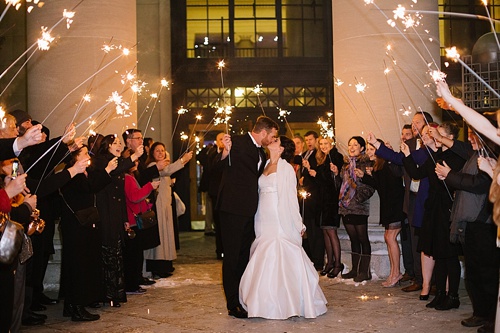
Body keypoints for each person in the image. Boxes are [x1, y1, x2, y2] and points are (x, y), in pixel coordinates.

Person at [239, 135, 327, 319]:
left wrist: (298, 223)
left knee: (279, 249)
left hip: (279, 216)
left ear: (281, 149)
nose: (271, 141)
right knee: (263, 248)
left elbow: (290, 198)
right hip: (262, 215)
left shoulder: (286, 168)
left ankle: (288, 301)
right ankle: (262, 300)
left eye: (276, 141)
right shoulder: (263, 164)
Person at [436, 128, 499, 333]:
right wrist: (440, 138)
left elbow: (477, 184)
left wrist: (449, 175)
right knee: (473, 273)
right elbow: (461, 147)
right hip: (471, 224)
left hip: (485, 223)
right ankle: (479, 313)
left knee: (487, 273)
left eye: (474, 135)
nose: (469, 138)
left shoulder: (491, 158)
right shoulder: (475, 153)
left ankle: (492, 318)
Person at [217, 116, 279, 319]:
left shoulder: (260, 151)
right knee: (232, 258)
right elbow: (216, 169)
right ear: (263, 132)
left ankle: (242, 298)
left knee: (244, 256)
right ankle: (232, 303)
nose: (272, 139)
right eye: (272, 136)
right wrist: (224, 151)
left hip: (250, 211)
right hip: (232, 209)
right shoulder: (235, 141)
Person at [401, 122, 467, 309]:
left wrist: (448, 175)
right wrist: (407, 154)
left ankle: (453, 296)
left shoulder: (455, 157)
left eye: (439, 134)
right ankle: (440, 293)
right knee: (437, 253)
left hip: (447, 209)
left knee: (450, 255)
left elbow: (455, 183)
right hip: (433, 209)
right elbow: (416, 173)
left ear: (450, 138)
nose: (435, 137)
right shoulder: (435, 156)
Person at [59, 146, 116, 321]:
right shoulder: (71, 175)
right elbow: (89, 188)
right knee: (77, 266)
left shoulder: (84, 172)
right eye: (84, 153)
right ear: (75, 158)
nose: (88, 156)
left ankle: (72, 305)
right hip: (75, 225)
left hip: (84, 224)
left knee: (81, 264)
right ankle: (76, 306)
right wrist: (107, 170)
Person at [94, 134, 143, 307]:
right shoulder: (102, 161)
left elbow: (121, 195)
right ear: (106, 145)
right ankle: (107, 294)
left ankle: (116, 292)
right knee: (108, 253)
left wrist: (125, 219)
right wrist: (134, 156)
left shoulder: (118, 162)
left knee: (116, 253)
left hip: (116, 212)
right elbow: (114, 170)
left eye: (119, 143)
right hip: (105, 211)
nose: (119, 145)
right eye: (115, 143)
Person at [144, 142, 192, 277]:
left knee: (167, 235)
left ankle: (165, 264)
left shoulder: (162, 165)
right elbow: (166, 171)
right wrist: (183, 160)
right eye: (157, 151)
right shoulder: (152, 166)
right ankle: (158, 267)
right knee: (161, 235)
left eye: (162, 151)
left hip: (166, 205)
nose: (160, 153)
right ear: (152, 154)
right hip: (158, 205)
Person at [361, 141, 406, 287]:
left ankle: (396, 273)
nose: (369, 152)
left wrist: (368, 176)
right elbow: (379, 186)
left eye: (371, 148)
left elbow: (393, 188)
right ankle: (394, 273)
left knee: (390, 237)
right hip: (388, 206)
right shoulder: (378, 166)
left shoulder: (387, 164)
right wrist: (366, 176)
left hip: (395, 206)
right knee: (388, 237)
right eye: (367, 149)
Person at [336, 136, 375, 282]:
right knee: (353, 239)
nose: (352, 147)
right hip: (346, 207)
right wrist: (335, 175)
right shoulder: (345, 165)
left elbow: (371, 187)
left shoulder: (367, 164)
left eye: (356, 145)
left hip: (359, 207)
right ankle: (355, 269)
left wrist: (356, 198)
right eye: (350, 144)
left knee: (362, 238)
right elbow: (341, 185)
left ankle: (365, 271)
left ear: (362, 148)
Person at [307, 137, 344, 278]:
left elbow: (331, 179)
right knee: (325, 232)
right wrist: (311, 171)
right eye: (321, 144)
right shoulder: (321, 158)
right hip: (322, 200)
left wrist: (318, 173)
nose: (323, 146)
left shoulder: (335, 156)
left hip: (331, 200)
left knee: (331, 232)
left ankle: (337, 264)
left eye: (326, 144)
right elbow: (321, 181)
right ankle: (329, 262)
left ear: (332, 144)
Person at [123, 159, 160, 294]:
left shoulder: (130, 177)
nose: (137, 163)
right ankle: (131, 284)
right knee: (132, 255)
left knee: (137, 253)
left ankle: (136, 280)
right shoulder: (127, 178)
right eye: (134, 160)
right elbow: (134, 197)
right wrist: (150, 186)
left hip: (134, 218)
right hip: (132, 220)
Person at [300, 131, 324, 270]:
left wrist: (309, 173)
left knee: (315, 230)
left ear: (316, 140)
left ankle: (318, 260)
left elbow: (316, 174)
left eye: (311, 139)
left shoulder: (317, 155)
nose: (309, 142)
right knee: (308, 229)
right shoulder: (304, 154)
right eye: (307, 139)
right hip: (305, 196)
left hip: (314, 196)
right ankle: (311, 257)